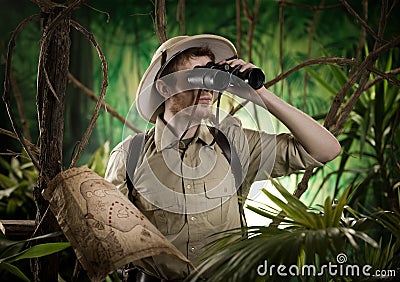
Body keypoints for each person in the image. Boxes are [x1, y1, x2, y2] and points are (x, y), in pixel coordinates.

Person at [105, 34, 341, 282]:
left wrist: (260, 94)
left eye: (213, 77)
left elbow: (325, 149)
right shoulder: (129, 156)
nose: (208, 87)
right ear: (164, 87)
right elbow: (110, 244)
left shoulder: (232, 144)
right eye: (197, 76)